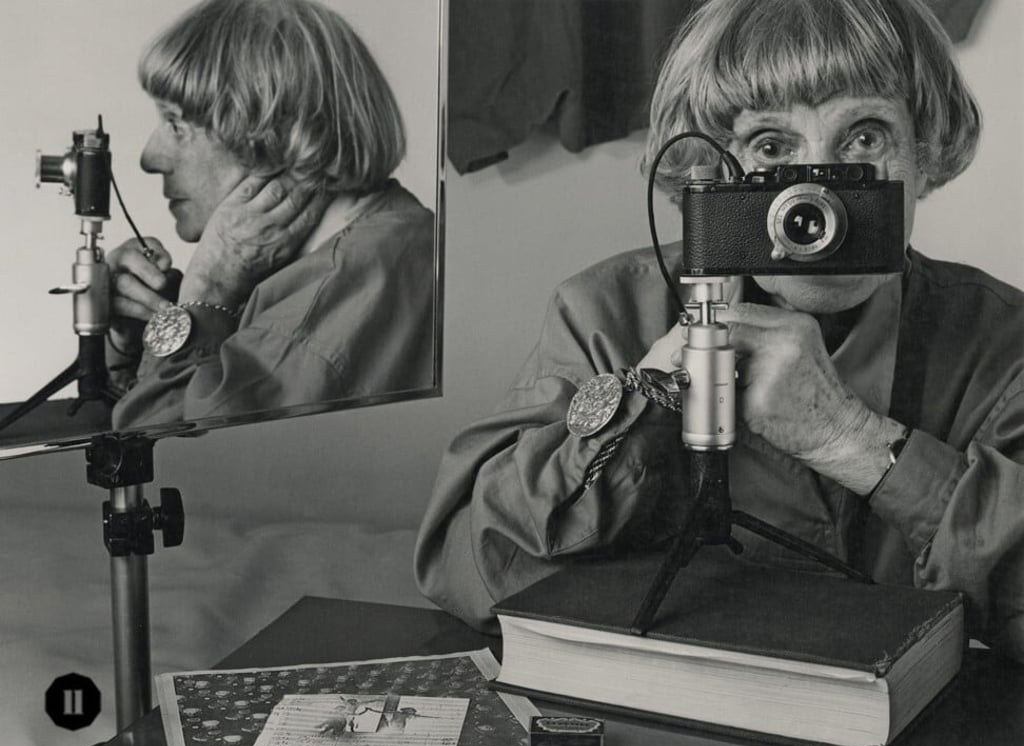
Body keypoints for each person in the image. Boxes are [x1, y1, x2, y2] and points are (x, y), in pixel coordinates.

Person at [414, 0, 1024, 662]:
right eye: (770, 146)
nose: (816, 199)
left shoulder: (1002, 344)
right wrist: (644, 406)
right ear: (712, 172)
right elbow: (467, 572)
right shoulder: (606, 314)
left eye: (865, 138)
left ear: (925, 159)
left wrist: (853, 439)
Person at [106, 0, 435, 429]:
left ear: (274, 132)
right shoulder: (372, 246)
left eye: (175, 122)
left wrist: (208, 290)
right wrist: (134, 337)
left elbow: (159, 467)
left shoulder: (329, 299)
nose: (151, 158)